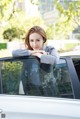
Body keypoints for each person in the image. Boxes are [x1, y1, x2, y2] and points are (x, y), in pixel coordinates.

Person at [12, 26, 59, 96]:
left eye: (38, 40)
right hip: (32, 90)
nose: (34, 44)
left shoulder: (50, 49)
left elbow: (55, 60)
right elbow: (14, 53)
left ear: (43, 39)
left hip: (49, 90)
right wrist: (33, 52)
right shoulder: (28, 52)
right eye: (32, 40)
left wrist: (41, 55)